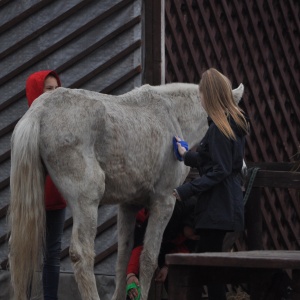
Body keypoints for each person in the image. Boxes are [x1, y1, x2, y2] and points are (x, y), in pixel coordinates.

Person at [173, 68, 249, 300]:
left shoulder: (219, 128)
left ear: (211, 95)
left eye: (202, 93)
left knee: (210, 274)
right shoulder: (230, 124)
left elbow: (219, 170)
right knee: (210, 271)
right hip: (224, 207)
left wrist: (184, 191)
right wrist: (185, 154)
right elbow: (211, 159)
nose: (200, 99)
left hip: (217, 208)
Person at [26, 70, 67, 300]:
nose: (53, 93)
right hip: (32, 199)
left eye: (56, 88)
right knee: (29, 253)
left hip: (56, 199)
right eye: (48, 89)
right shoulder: (27, 127)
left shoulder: (64, 124)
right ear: (36, 92)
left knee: (52, 255)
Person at [126, 199, 198, 300]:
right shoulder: (167, 214)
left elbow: (183, 249)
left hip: (165, 248)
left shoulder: (190, 236)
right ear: (190, 222)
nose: (196, 238)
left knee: (175, 276)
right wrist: (131, 273)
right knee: (133, 282)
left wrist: (166, 267)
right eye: (196, 233)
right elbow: (141, 244)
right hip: (141, 237)